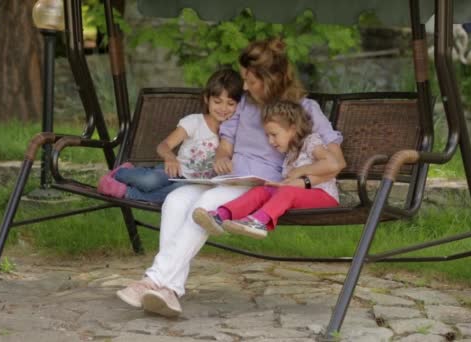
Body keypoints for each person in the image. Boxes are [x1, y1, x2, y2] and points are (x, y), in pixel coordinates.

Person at [116, 38, 346, 317]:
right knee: (176, 200)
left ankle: (152, 281)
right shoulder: (247, 105)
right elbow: (226, 142)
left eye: (250, 80)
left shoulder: (305, 108)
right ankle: (169, 290)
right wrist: (221, 156)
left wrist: (301, 179)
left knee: (208, 203)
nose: (245, 87)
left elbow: (335, 161)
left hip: (259, 185)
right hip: (226, 178)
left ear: (271, 78)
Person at [192, 100, 340, 239]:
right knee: (261, 191)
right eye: (268, 136)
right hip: (299, 195)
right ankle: (220, 216)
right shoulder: (290, 153)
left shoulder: (310, 141)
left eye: (274, 135)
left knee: (286, 192)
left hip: (324, 196)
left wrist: (301, 171)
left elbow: (332, 164)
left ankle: (258, 222)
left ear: (293, 129)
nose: (270, 141)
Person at [97, 68, 244, 203]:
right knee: (149, 182)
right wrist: (170, 157)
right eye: (218, 102)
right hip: (175, 170)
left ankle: (124, 192)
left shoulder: (236, 132)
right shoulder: (195, 122)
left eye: (230, 104)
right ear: (207, 99)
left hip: (196, 185)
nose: (223, 108)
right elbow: (164, 146)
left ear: (239, 105)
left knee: (173, 195)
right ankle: (121, 173)